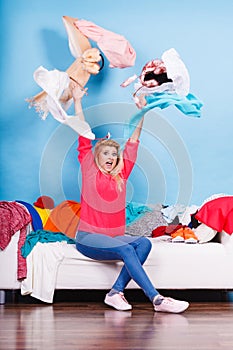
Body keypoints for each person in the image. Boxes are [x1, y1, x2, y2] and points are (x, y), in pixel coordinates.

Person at [71, 82, 189, 313]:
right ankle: (157, 299)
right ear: (96, 156)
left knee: (143, 243)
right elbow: (82, 133)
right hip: (88, 238)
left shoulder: (121, 175)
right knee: (126, 250)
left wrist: (142, 110)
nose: (111, 157)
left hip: (114, 237)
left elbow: (134, 140)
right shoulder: (89, 169)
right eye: (106, 153)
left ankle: (115, 292)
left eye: (114, 154)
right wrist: (77, 100)